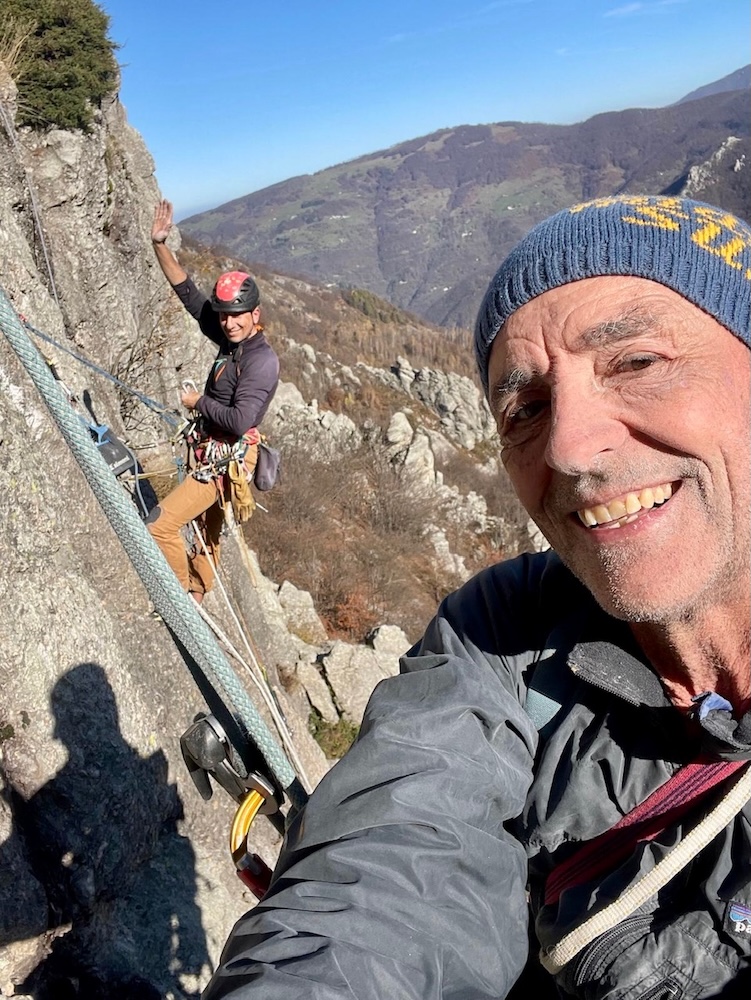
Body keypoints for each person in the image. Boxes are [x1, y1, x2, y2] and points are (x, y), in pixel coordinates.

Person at [201, 195, 751, 999]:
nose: (569, 446)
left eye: (636, 363)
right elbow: (396, 863)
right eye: (524, 410)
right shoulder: (506, 633)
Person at [147, 199, 279, 602]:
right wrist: (159, 244)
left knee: (160, 526)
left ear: (255, 314)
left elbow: (239, 420)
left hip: (227, 458)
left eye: (237, 315)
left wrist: (197, 402)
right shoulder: (232, 339)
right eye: (224, 315)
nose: (229, 322)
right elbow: (188, 293)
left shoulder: (260, 361)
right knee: (208, 527)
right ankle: (199, 590)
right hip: (214, 450)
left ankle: (178, 596)